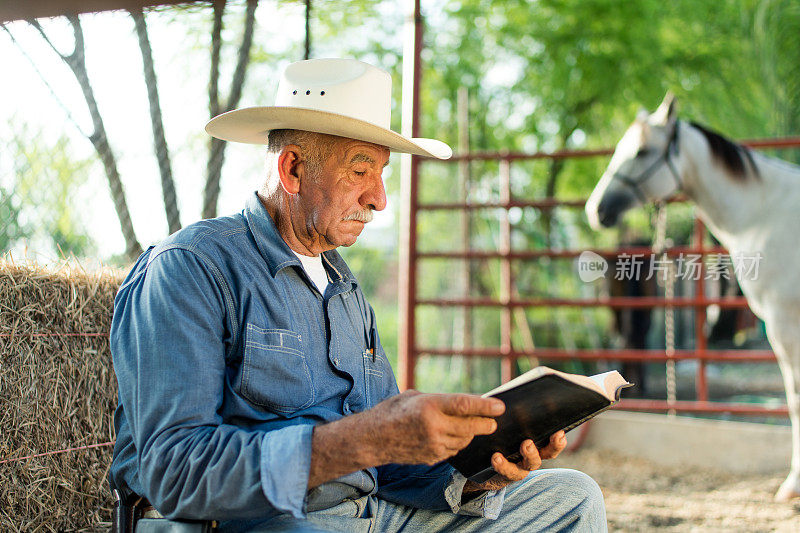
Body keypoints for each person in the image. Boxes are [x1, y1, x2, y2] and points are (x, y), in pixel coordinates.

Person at [109, 58, 607, 532]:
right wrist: (363, 439)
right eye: (360, 169)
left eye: (383, 173)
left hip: (378, 517)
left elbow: (390, 464)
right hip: (273, 522)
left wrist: (481, 474)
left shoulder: (345, 289)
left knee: (572, 499)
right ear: (293, 170)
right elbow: (173, 471)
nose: (379, 198)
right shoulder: (191, 269)